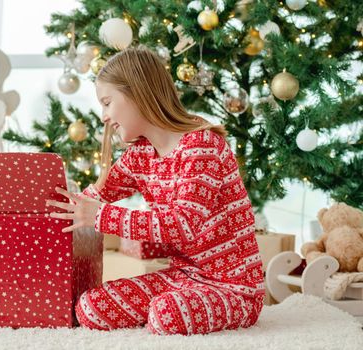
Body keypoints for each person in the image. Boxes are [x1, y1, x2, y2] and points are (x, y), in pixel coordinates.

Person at [45, 47, 264, 336]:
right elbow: (92, 199)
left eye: (108, 103)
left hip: (233, 287)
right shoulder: (141, 154)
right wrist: (53, 206)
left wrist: (100, 216)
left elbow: (183, 225)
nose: (104, 116)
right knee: (91, 307)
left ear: (138, 93)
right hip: (182, 278)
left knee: (166, 314)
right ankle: (173, 305)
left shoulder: (201, 145)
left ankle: (180, 308)